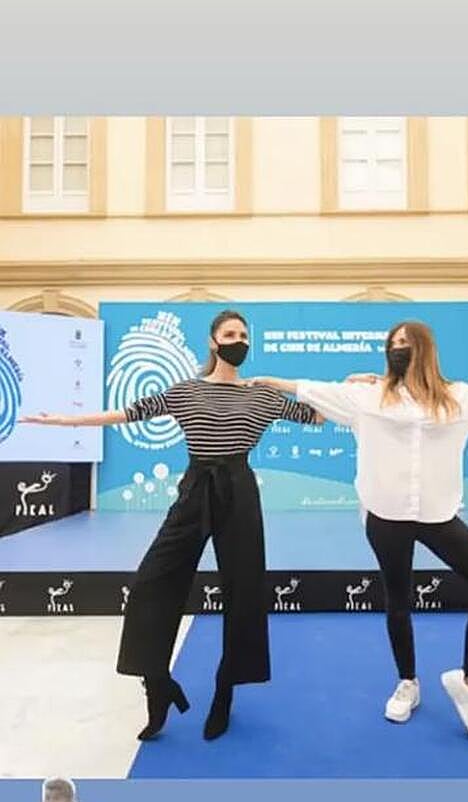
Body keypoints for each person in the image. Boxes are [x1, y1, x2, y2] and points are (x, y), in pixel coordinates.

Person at [251, 320, 468, 742]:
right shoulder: (367, 398)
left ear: (424, 348)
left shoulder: (459, 399)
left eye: (405, 342)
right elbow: (308, 388)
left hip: (437, 514)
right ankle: (408, 684)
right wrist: (267, 379)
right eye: (393, 343)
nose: (398, 348)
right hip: (385, 515)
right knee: (397, 600)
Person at [20, 310, 320, 741]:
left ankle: (225, 691)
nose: (239, 341)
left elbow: (320, 417)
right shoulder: (186, 391)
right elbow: (127, 413)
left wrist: (354, 392)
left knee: (245, 591)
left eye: (244, 335)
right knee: (151, 583)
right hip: (196, 489)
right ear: (214, 343)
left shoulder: (262, 396)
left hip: (239, 491)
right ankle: (156, 685)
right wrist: (65, 421)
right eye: (230, 334)